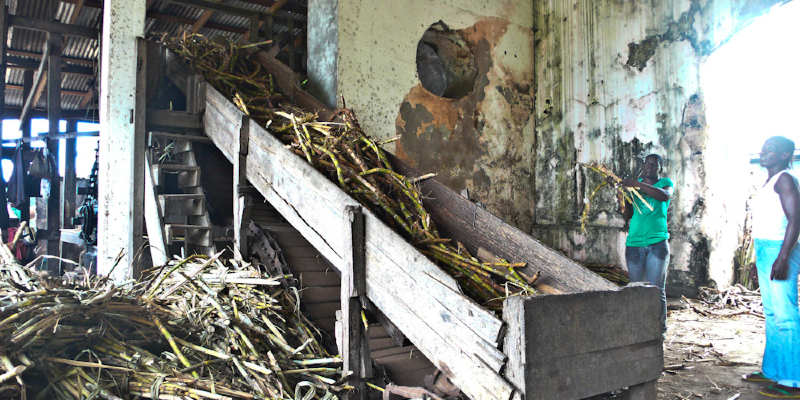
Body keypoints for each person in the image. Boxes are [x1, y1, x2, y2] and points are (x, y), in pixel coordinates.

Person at [741, 136, 800, 397]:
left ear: (786, 154)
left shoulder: (785, 179)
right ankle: (773, 371)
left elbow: (796, 220)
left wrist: (784, 256)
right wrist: (758, 261)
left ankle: (792, 380)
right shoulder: (770, 181)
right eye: (763, 148)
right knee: (772, 314)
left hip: (780, 249)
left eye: (771, 149)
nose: (764, 152)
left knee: (786, 315)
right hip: (767, 250)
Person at [612, 154, 674, 337]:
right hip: (634, 244)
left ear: (659, 168)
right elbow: (627, 215)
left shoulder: (665, 183)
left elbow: (664, 196)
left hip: (657, 244)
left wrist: (637, 184)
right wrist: (621, 193)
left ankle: (658, 331)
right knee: (636, 289)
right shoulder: (634, 186)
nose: (649, 166)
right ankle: (638, 329)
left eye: (654, 164)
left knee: (656, 290)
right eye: (647, 163)